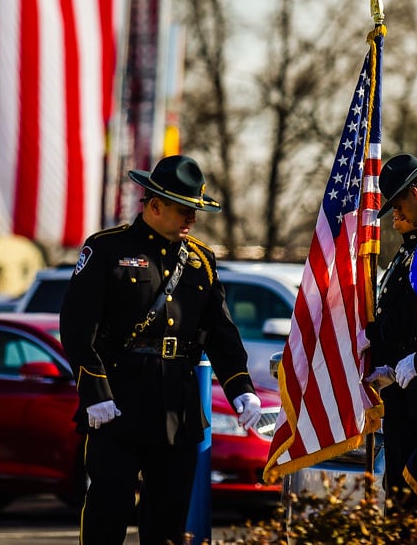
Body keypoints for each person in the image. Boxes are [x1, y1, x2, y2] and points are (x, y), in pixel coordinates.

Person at [60, 155, 261, 545]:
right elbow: (77, 328)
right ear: (155, 205)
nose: (192, 220)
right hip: (118, 402)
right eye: (185, 210)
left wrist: (241, 389)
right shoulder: (107, 249)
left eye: (196, 211)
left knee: (168, 518)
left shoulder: (201, 260)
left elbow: (220, 331)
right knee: (109, 509)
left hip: (177, 407)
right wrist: (95, 392)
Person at [365, 153, 417, 508]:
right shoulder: (408, 252)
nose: (394, 215)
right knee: (398, 498)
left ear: (416, 194)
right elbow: (396, 317)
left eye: (398, 204)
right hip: (398, 393)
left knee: (416, 497)